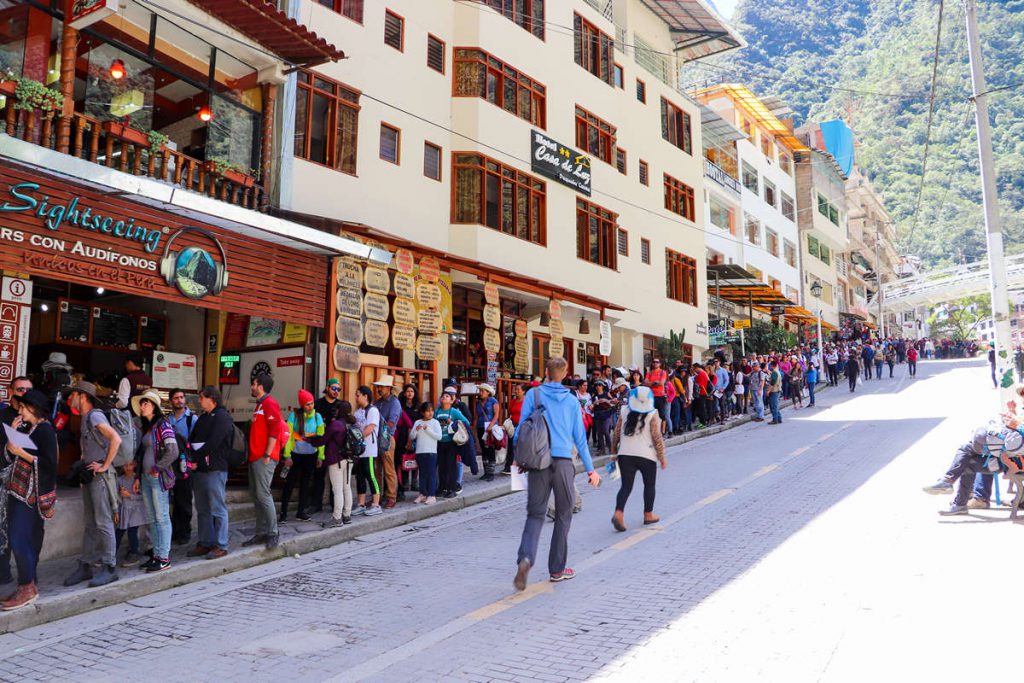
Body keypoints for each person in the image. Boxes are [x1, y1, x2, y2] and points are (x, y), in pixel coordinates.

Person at [513, 357, 601, 591]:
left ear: (546, 372)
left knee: (535, 515)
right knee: (563, 515)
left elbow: (521, 428)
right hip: (563, 463)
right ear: (566, 374)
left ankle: (526, 558)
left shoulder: (534, 394)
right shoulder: (572, 401)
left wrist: (518, 457)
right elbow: (580, 439)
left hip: (537, 463)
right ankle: (557, 570)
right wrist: (591, 469)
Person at [62, 381, 121, 588]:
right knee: (90, 523)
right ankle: (86, 565)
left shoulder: (95, 415)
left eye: (72, 396)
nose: (70, 400)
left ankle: (109, 567)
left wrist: (105, 465)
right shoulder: (87, 418)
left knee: (103, 522)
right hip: (89, 478)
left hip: (100, 479)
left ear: (82, 396)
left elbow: (115, 439)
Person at [1, 390, 57, 610]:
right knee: (20, 538)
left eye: (23, 407)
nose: (20, 410)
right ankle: (27, 583)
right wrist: (11, 439)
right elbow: (9, 456)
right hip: (17, 490)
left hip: (31, 495)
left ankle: (28, 586)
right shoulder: (26, 427)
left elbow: (50, 464)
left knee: (19, 539)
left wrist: (20, 451)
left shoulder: (45, 430)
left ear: (33, 408)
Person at [132, 389, 177, 572]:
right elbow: (142, 455)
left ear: (154, 407)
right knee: (152, 518)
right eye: (142, 403)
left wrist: (157, 468)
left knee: (161, 517)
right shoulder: (148, 427)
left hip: (158, 478)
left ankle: (164, 557)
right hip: (146, 478)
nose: (142, 407)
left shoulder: (162, 425)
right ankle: (156, 555)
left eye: (146, 403)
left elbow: (172, 451)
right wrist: (138, 477)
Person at [610, 386, 667, 532]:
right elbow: (656, 437)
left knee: (625, 486)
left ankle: (618, 513)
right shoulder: (653, 413)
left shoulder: (624, 411)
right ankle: (648, 514)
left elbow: (616, 434)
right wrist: (662, 457)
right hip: (646, 455)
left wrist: (614, 452)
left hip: (625, 454)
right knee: (649, 485)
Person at [187, 385, 233, 559]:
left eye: (202, 397)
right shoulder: (203, 417)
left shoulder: (222, 417)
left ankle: (221, 545)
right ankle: (205, 542)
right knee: (202, 508)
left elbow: (214, 442)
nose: (199, 401)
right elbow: (193, 438)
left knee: (218, 507)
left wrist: (196, 458)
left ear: (212, 398)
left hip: (215, 469)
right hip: (200, 469)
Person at [0, 376, 32, 587]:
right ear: (10, 391)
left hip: (24, 481)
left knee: (16, 527)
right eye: (20, 389)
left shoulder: (34, 417)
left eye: (28, 390)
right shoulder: (3, 414)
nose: (24, 393)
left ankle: (25, 579)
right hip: (3, 476)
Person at [244, 373, 281, 550]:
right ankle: (261, 532)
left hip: (263, 457)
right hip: (256, 456)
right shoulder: (260, 404)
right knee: (257, 496)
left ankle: (273, 533)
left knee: (263, 494)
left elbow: (275, 429)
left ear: (260, 386)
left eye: (253, 383)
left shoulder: (269, 403)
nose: (251, 386)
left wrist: (267, 454)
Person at [279, 389, 324, 523]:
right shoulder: (294, 415)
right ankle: (283, 513)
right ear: (302, 405)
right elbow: (288, 437)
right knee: (289, 484)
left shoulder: (318, 417)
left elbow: (321, 439)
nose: (310, 407)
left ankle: (301, 512)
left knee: (306, 484)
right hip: (295, 455)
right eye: (307, 404)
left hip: (311, 456)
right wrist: (287, 455)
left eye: (312, 403)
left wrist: (320, 456)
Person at [166, 388, 196, 546]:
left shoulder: (192, 419)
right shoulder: (167, 419)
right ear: (171, 401)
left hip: (185, 465)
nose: (179, 400)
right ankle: (174, 532)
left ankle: (185, 532)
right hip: (170, 465)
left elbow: (197, 442)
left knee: (184, 500)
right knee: (173, 501)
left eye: (181, 397)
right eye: (176, 398)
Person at [322, 400, 358, 527]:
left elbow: (323, 440)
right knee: (346, 488)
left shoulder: (336, 425)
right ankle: (347, 515)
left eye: (336, 409)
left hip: (335, 460)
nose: (335, 411)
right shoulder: (352, 423)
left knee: (337, 490)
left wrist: (309, 440)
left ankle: (337, 518)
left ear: (339, 411)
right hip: (349, 460)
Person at [311, 378, 342, 513]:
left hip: (336, 445)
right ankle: (316, 504)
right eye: (334, 388)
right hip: (321, 444)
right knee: (319, 475)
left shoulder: (341, 405)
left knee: (335, 477)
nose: (336, 391)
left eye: (338, 389)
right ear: (327, 388)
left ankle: (335, 503)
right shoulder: (318, 404)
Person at [372, 376, 402, 509]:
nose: (379, 389)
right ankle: (377, 497)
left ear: (389, 388)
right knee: (377, 469)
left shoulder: (394, 403)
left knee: (389, 469)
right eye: (378, 387)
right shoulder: (378, 402)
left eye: (381, 387)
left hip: (386, 438)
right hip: (376, 438)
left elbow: (391, 422)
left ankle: (391, 497)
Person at [435, 388, 470, 499]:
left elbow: (466, 422)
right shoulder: (437, 411)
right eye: (443, 396)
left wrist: (453, 423)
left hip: (451, 443)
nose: (444, 398)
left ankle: (452, 489)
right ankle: (442, 487)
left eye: (447, 396)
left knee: (451, 466)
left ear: (451, 400)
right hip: (440, 442)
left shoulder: (454, 411)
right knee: (442, 466)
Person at [353, 386, 382, 516]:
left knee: (371, 476)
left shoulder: (373, 410)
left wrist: (357, 439)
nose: (356, 397)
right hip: (359, 451)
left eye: (358, 395)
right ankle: (361, 504)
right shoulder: (358, 412)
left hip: (369, 450)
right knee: (360, 477)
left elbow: (370, 428)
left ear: (366, 396)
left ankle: (376, 504)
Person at [411, 402, 443, 504]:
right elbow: (412, 436)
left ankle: (432, 495)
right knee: (422, 474)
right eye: (428, 411)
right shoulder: (417, 422)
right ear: (422, 412)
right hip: (420, 452)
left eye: (431, 410)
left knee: (431, 474)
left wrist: (427, 429)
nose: (430, 413)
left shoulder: (435, 423)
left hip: (431, 452)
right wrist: (416, 430)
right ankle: (422, 494)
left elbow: (439, 437)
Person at [114, 459, 144, 568]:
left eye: (130, 465)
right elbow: (115, 496)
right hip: (123, 510)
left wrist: (129, 495)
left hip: (135, 511)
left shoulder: (138, 479)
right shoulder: (119, 480)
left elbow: (143, 497)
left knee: (132, 532)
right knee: (119, 532)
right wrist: (116, 511)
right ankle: (111, 553)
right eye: (125, 465)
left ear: (135, 465)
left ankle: (134, 553)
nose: (128, 468)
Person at [474, 383, 502, 481]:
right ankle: (486, 472)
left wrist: (491, 426)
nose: (480, 393)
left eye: (482, 391)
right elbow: (476, 416)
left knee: (490, 449)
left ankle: (491, 473)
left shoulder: (493, 401)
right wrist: (474, 429)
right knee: (483, 450)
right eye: (480, 391)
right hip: (481, 427)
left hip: (490, 429)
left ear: (488, 392)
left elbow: (496, 415)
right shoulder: (478, 403)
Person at [501, 383, 526, 475]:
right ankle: (509, 466)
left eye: (518, 390)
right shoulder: (513, 401)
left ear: (523, 391)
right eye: (515, 389)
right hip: (513, 425)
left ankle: (521, 466)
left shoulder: (526, 402)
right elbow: (510, 412)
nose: (516, 391)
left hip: (523, 425)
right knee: (511, 446)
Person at [644, 358, 669, 428]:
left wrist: (651, 383)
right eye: (654, 362)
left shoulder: (663, 372)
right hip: (651, 396)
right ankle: (655, 431)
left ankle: (663, 432)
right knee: (651, 414)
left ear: (660, 364)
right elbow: (646, 383)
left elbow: (661, 383)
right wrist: (655, 382)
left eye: (657, 362)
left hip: (660, 396)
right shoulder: (650, 372)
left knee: (662, 415)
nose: (655, 363)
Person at [766, 361, 783, 425]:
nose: (770, 367)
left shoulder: (774, 373)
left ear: (772, 366)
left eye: (770, 365)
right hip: (777, 390)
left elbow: (772, 383)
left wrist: (768, 391)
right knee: (776, 405)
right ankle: (779, 418)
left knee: (773, 406)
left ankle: (775, 419)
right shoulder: (777, 372)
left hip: (774, 391)